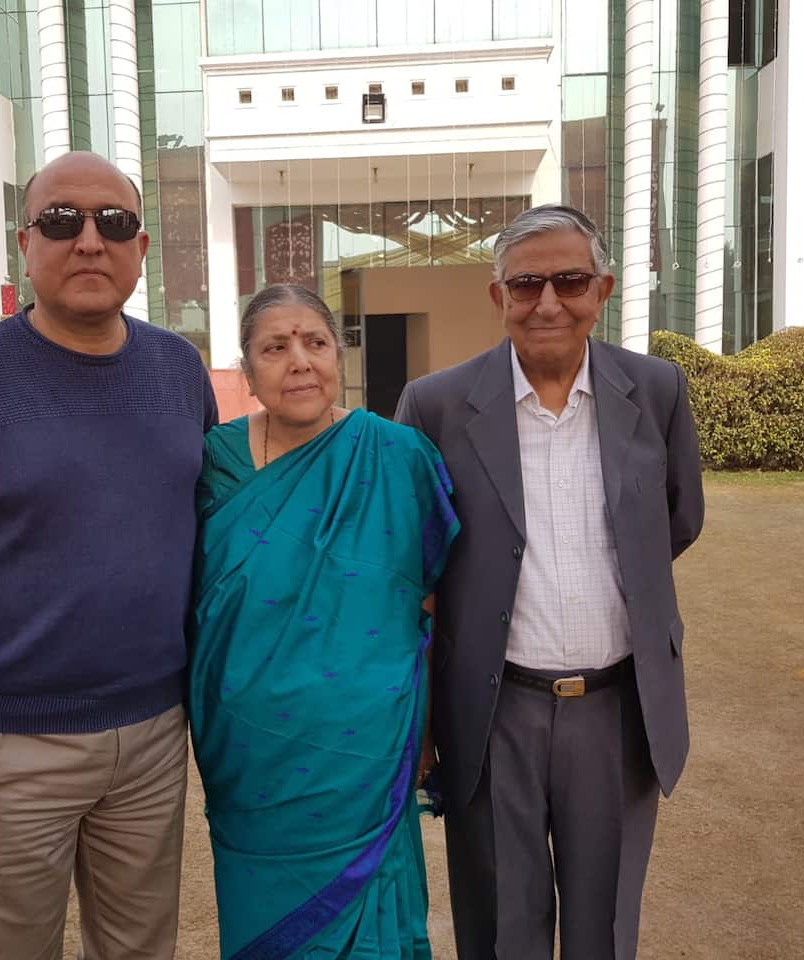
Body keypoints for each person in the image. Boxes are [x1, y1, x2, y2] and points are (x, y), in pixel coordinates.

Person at [0, 151, 217, 960]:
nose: (89, 240)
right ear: (25, 243)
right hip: (4, 750)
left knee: (141, 950)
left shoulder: (178, 370)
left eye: (113, 222)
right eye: (62, 220)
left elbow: (218, 536)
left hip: (155, 737)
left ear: (142, 248)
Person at [394, 204, 704, 960]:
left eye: (569, 281)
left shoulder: (656, 391)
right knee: (503, 927)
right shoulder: (434, 407)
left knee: (604, 929)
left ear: (602, 290)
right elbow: (411, 564)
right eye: (526, 284)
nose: (548, 303)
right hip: (492, 713)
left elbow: (676, 521)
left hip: (618, 710)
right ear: (498, 297)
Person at [189, 284, 460, 959]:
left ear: (339, 357)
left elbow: (434, 603)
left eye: (314, 342)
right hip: (250, 758)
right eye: (274, 348)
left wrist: (430, 731)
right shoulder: (212, 464)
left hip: (364, 750)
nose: (299, 361)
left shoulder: (398, 458)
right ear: (248, 373)